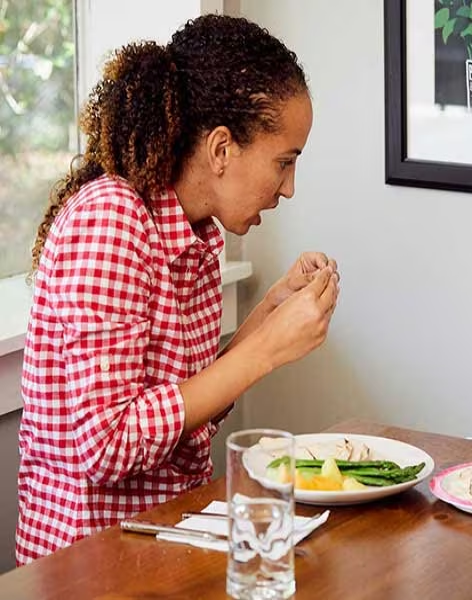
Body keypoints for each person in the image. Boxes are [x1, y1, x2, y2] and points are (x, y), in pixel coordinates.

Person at [16, 14, 339, 565]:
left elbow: (187, 409)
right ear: (220, 149)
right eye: (283, 163)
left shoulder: (194, 234)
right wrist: (265, 351)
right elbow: (108, 445)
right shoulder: (111, 220)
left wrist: (268, 312)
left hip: (166, 543)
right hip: (89, 567)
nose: (288, 188)